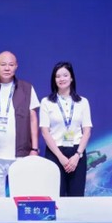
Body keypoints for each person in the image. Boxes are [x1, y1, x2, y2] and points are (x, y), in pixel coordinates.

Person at [0, 51, 40, 197]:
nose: (7, 68)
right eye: (3, 64)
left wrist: (34, 149)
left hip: (21, 154)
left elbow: (33, 119)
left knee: (21, 196)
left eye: (11, 65)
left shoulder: (27, 88)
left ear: (16, 66)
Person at [39, 61, 92, 197]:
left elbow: (87, 131)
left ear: (71, 78)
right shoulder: (46, 102)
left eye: (65, 75)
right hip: (55, 152)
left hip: (77, 153)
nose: (61, 79)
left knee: (76, 197)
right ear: (54, 80)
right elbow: (45, 132)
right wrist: (60, 157)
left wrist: (77, 155)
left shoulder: (82, 102)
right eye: (57, 76)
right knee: (55, 196)